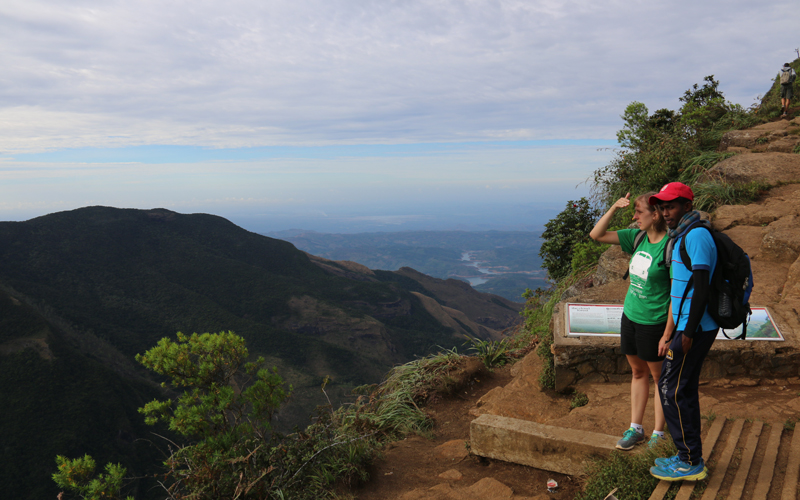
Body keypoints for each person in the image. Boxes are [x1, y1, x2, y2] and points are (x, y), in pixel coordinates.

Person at [590, 192, 673, 451]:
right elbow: (597, 235)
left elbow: (677, 294)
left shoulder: (671, 246)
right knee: (638, 372)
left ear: (656, 214)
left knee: (660, 378)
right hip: (631, 316)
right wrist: (614, 207)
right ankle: (635, 428)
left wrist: (667, 333)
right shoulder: (637, 237)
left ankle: (659, 433)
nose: (635, 217)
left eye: (639, 213)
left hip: (655, 321)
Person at [648, 182, 717, 482]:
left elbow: (702, 286)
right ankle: (687, 455)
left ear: (688, 206)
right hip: (688, 326)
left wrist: (686, 333)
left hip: (696, 328)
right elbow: (682, 290)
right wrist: (671, 331)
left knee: (670, 388)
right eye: (662, 207)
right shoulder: (681, 237)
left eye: (672, 206)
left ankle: (690, 462)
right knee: (682, 388)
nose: (665, 212)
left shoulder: (697, 235)